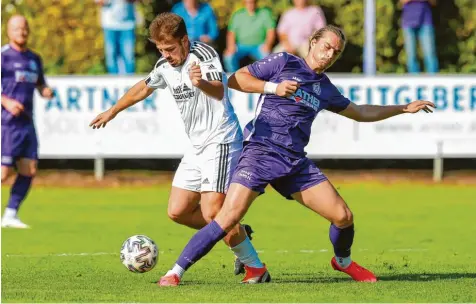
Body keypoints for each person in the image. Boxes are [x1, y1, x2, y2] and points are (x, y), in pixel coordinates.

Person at [158, 25, 436, 286]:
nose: (329, 55)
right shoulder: (283, 62)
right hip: (259, 153)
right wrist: (273, 87)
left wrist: (402, 108)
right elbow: (236, 79)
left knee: (343, 216)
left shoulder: (325, 88)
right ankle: (175, 272)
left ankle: (343, 261)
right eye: (326, 47)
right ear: (313, 42)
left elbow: (361, 113)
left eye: (335, 52)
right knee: (226, 217)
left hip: (294, 163)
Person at [89, 12, 269, 283]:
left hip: (220, 140)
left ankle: (256, 268)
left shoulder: (204, 54)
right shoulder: (164, 65)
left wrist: (200, 83)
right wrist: (113, 111)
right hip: (196, 147)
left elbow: (220, 91)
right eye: (161, 49)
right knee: (178, 211)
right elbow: (143, 88)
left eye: (170, 48)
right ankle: (235, 231)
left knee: (212, 212)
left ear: (185, 41)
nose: (166, 54)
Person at [1, 15, 54, 229]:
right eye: (16, 28)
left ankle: (10, 215)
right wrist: (6, 102)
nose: (21, 32)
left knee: (29, 169)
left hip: (26, 122)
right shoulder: (3, 56)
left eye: (24, 28)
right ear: (8, 31)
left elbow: (41, 84)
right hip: (6, 122)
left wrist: (45, 91)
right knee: (3, 173)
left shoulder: (34, 58)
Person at [223, 0, 276, 72]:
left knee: (267, 57)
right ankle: (233, 77)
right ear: (244, 3)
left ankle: (264, 79)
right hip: (241, 46)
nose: (250, 4)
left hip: (259, 45)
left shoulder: (265, 13)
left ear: (256, 2)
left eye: (252, 2)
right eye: (248, 2)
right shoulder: (238, 15)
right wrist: (231, 46)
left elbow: (271, 31)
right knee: (228, 56)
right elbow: (231, 33)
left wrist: (268, 44)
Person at [96, 0, 137, 74]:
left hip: (127, 24)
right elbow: (99, 2)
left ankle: (131, 83)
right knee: (111, 55)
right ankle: (114, 82)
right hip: (109, 25)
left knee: (129, 56)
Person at [400, 0, 439, 73]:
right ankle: (413, 82)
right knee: (411, 56)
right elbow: (402, 1)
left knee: (430, 54)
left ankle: (433, 81)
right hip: (408, 22)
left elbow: (434, 2)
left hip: (425, 22)